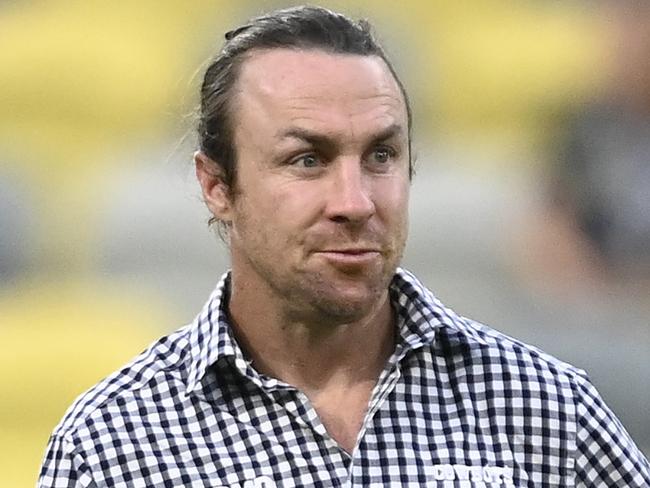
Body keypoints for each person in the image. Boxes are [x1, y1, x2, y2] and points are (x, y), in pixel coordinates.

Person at [39, 6, 649, 487]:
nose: (355, 201)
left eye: (381, 156)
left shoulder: (546, 410)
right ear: (217, 186)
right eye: (307, 160)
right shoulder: (114, 444)